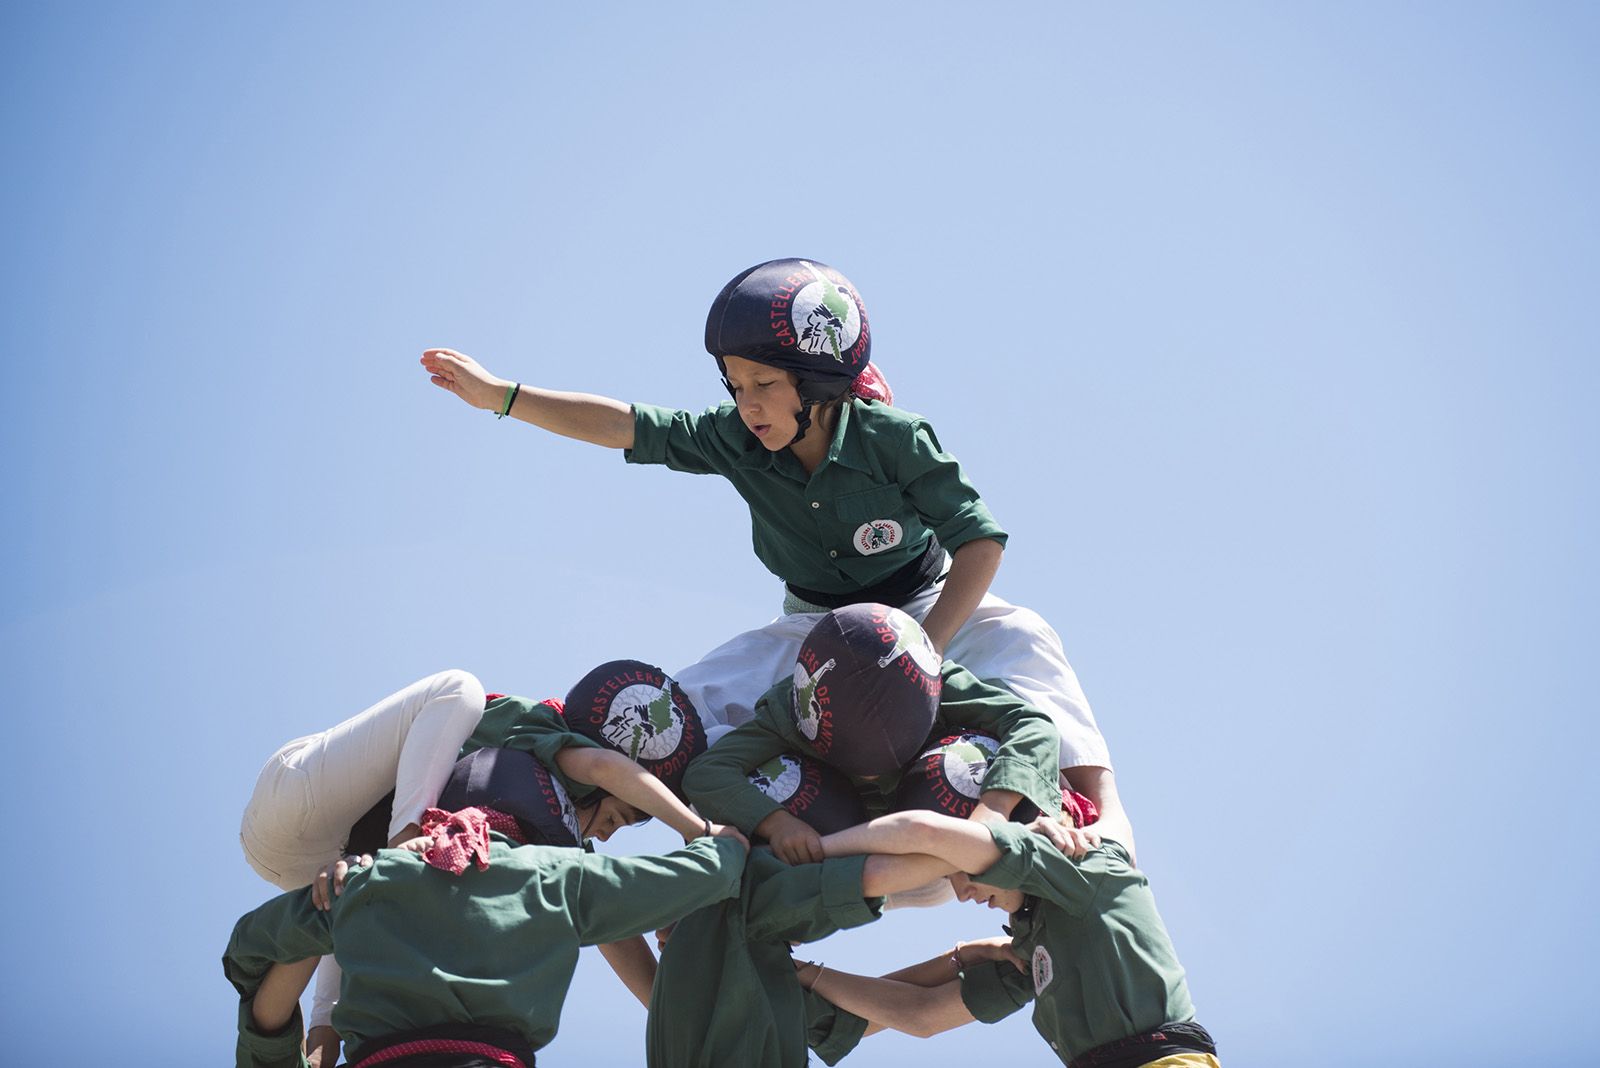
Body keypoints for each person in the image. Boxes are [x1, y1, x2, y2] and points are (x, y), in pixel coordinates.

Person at [418, 257, 1132, 854]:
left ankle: (1100, 825)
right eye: (734, 384)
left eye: (764, 385)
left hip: (921, 604)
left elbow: (980, 542)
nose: (746, 403)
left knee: (1028, 641)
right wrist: (501, 396)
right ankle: (568, 807)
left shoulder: (895, 438)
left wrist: (924, 654)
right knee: (673, 704)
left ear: (819, 384)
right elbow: (628, 425)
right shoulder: (734, 439)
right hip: (814, 627)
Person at [240, 666, 743, 1065]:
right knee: (458, 688)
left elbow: (616, 932)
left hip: (346, 872)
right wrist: (697, 832)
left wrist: (690, 1033)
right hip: (302, 804)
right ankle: (406, 838)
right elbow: (604, 767)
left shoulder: (551, 846)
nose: (611, 832)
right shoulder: (534, 730)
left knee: (344, 987)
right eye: (619, 814)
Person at [796, 805, 1218, 1067]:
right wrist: (798, 972)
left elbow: (922, 831)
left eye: (957, 872)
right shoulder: (1027, 946)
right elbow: (919, 1014)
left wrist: (802, 855)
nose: (961, 894)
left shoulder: (1087, 869)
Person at [683, 603, 1075, 866]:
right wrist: (777, 823)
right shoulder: (792, 709)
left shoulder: (937, 683)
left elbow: (1031, 724)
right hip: (839, 855)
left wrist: (994, 809)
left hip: (947, 842)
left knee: (995, 764)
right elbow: (707, 773)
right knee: (762, 779)